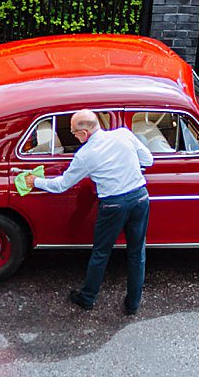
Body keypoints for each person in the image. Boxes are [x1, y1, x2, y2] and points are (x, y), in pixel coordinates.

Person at [24, 109, 154, 315]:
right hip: (140, 197)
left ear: (84, 133)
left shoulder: (85, 155)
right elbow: (148, 161)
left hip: (113, 204)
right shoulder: (124, 134)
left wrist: (35, 181)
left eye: (74, 132)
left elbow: (61, 185)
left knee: (101, 253)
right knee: (137, 253)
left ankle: (87, 297)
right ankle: (132, 304)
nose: (74, 136)